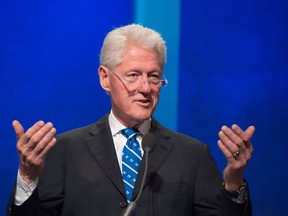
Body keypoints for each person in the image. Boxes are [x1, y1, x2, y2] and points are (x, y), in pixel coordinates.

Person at [7, 24, 255, 216]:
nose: (146, 88)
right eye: (133, 75)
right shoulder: (64, 150)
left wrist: (233, 183)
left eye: (154, 76)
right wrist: (28, 177)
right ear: (105, 78)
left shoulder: (193, 155)